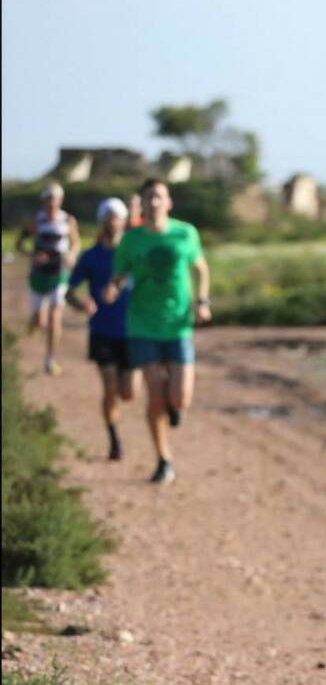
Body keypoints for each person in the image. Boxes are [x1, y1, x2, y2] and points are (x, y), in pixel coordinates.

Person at [103, 178, 211, 485]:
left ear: (169, 202)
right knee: (155, 394)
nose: (153, 202)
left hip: (178, 324)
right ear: (143, 202)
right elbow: (119, 275)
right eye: (149, 197)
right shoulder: (131, 239)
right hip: (143, 325)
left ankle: (175, 407)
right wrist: (112, 289)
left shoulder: (185, 233)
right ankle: (164, 459)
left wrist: (202, 301)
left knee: (180, 399)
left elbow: (200, 269)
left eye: (159, 197)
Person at [66, 198, 138, 461]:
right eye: (107, 217)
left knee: (128, 393)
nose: (112, 222)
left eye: (116, 217)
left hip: (132, 331)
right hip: (102, 331)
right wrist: (80, 302)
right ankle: (114, 439)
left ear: (123, 221)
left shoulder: (132, 253)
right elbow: (70, 292)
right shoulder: (91, 256)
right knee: (109, 388)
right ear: (101, 221)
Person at [14, 182, 80, 376]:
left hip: (59, 273)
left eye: (56, 198)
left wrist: (72, 254)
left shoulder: (67, 220)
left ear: (61, 200)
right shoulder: (36, 220)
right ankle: (34, 322)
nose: (53, 202)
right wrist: (31, 255)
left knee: (55, 315)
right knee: (40, 320)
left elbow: (75, 242)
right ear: (43, 200)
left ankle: (50, 359)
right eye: (49, 198)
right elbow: (19, 244)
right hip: (38, 274)